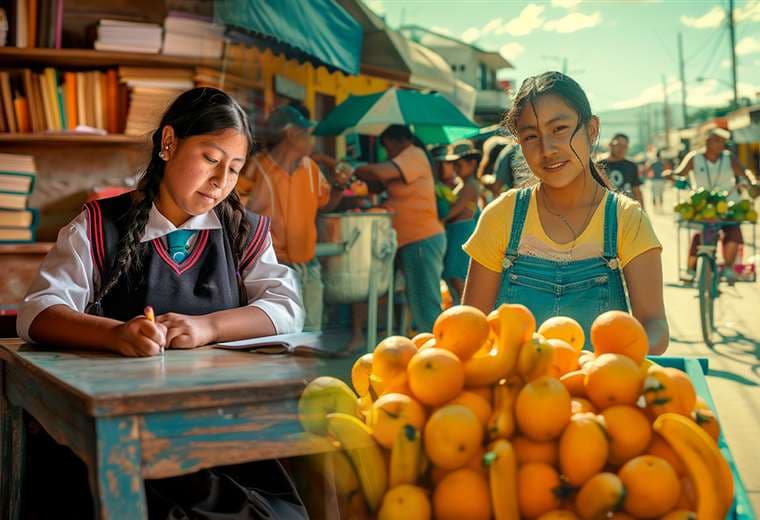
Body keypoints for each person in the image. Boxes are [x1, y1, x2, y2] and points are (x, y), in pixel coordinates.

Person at [16, 87, 309, 518]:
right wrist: (114, 334)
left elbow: (286, 307)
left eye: (234, 168)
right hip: (130, 436)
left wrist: (210, 328)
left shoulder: (244, 231)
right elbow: (38, 312)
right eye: (211, 159)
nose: (220, 181)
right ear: (168, 143)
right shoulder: (99, 226)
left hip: (222, 429)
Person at [462, 71, 668, 354]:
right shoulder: (501, 216)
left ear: (592, 129)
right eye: (531, 136)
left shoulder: (625, 218)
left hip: (599, 391)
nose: (547, 149)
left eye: (559, 129)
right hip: (515, 392)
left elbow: (654, 324)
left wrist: (617, 360)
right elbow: (470, 327)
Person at [241, 105, 350, 331]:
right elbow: (239, 210)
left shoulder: (311, 168)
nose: (313, 141)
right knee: (279, 337)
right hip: (271, 270)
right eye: (308, 133)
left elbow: (325, 203)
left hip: (307, 268)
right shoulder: (256, 168)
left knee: (310, 335)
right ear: (291, 133)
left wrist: (339, 185)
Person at [354, 124, 446, 334]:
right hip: (408, 240)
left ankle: (439, 351)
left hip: (421, 238)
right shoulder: (406, 160)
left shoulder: (413, 154)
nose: (388, 154)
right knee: (412, 299)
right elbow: (378, 181)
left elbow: (381, 172)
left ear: (400, 142)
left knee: (425, 302)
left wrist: (352, 167)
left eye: (388, 148)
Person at [665, 127, 757, 282]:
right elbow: (680, 172)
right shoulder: (694, 157)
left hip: (729, 204)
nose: (721, 145)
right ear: (707, 141)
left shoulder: (729, 158)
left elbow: (744, 172)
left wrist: (752, 181)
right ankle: (692, 269)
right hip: (703, 206)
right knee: (701, 235)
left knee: (733, 232)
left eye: (722, 142)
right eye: (717, 141)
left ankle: (728, 267)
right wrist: (671, 175)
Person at [441, 141, 482, 303]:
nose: (455, 169)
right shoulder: (463, 184)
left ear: (472, 164)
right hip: (456, 232)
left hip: (462, 233)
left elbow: (455, 210)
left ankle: (465, 308)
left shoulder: (471, 185)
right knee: (452, 275)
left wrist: (439, 220)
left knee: (457, 274)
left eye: (459, 165)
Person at [602, 133, 645, 209]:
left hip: (626, 209)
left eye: (624, 146)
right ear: (611, 145)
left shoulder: (631, 166)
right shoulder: (599, 165)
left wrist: (642, 212)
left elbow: (636, 191)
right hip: (606, 210)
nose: (621, 149)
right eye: (618, 145)